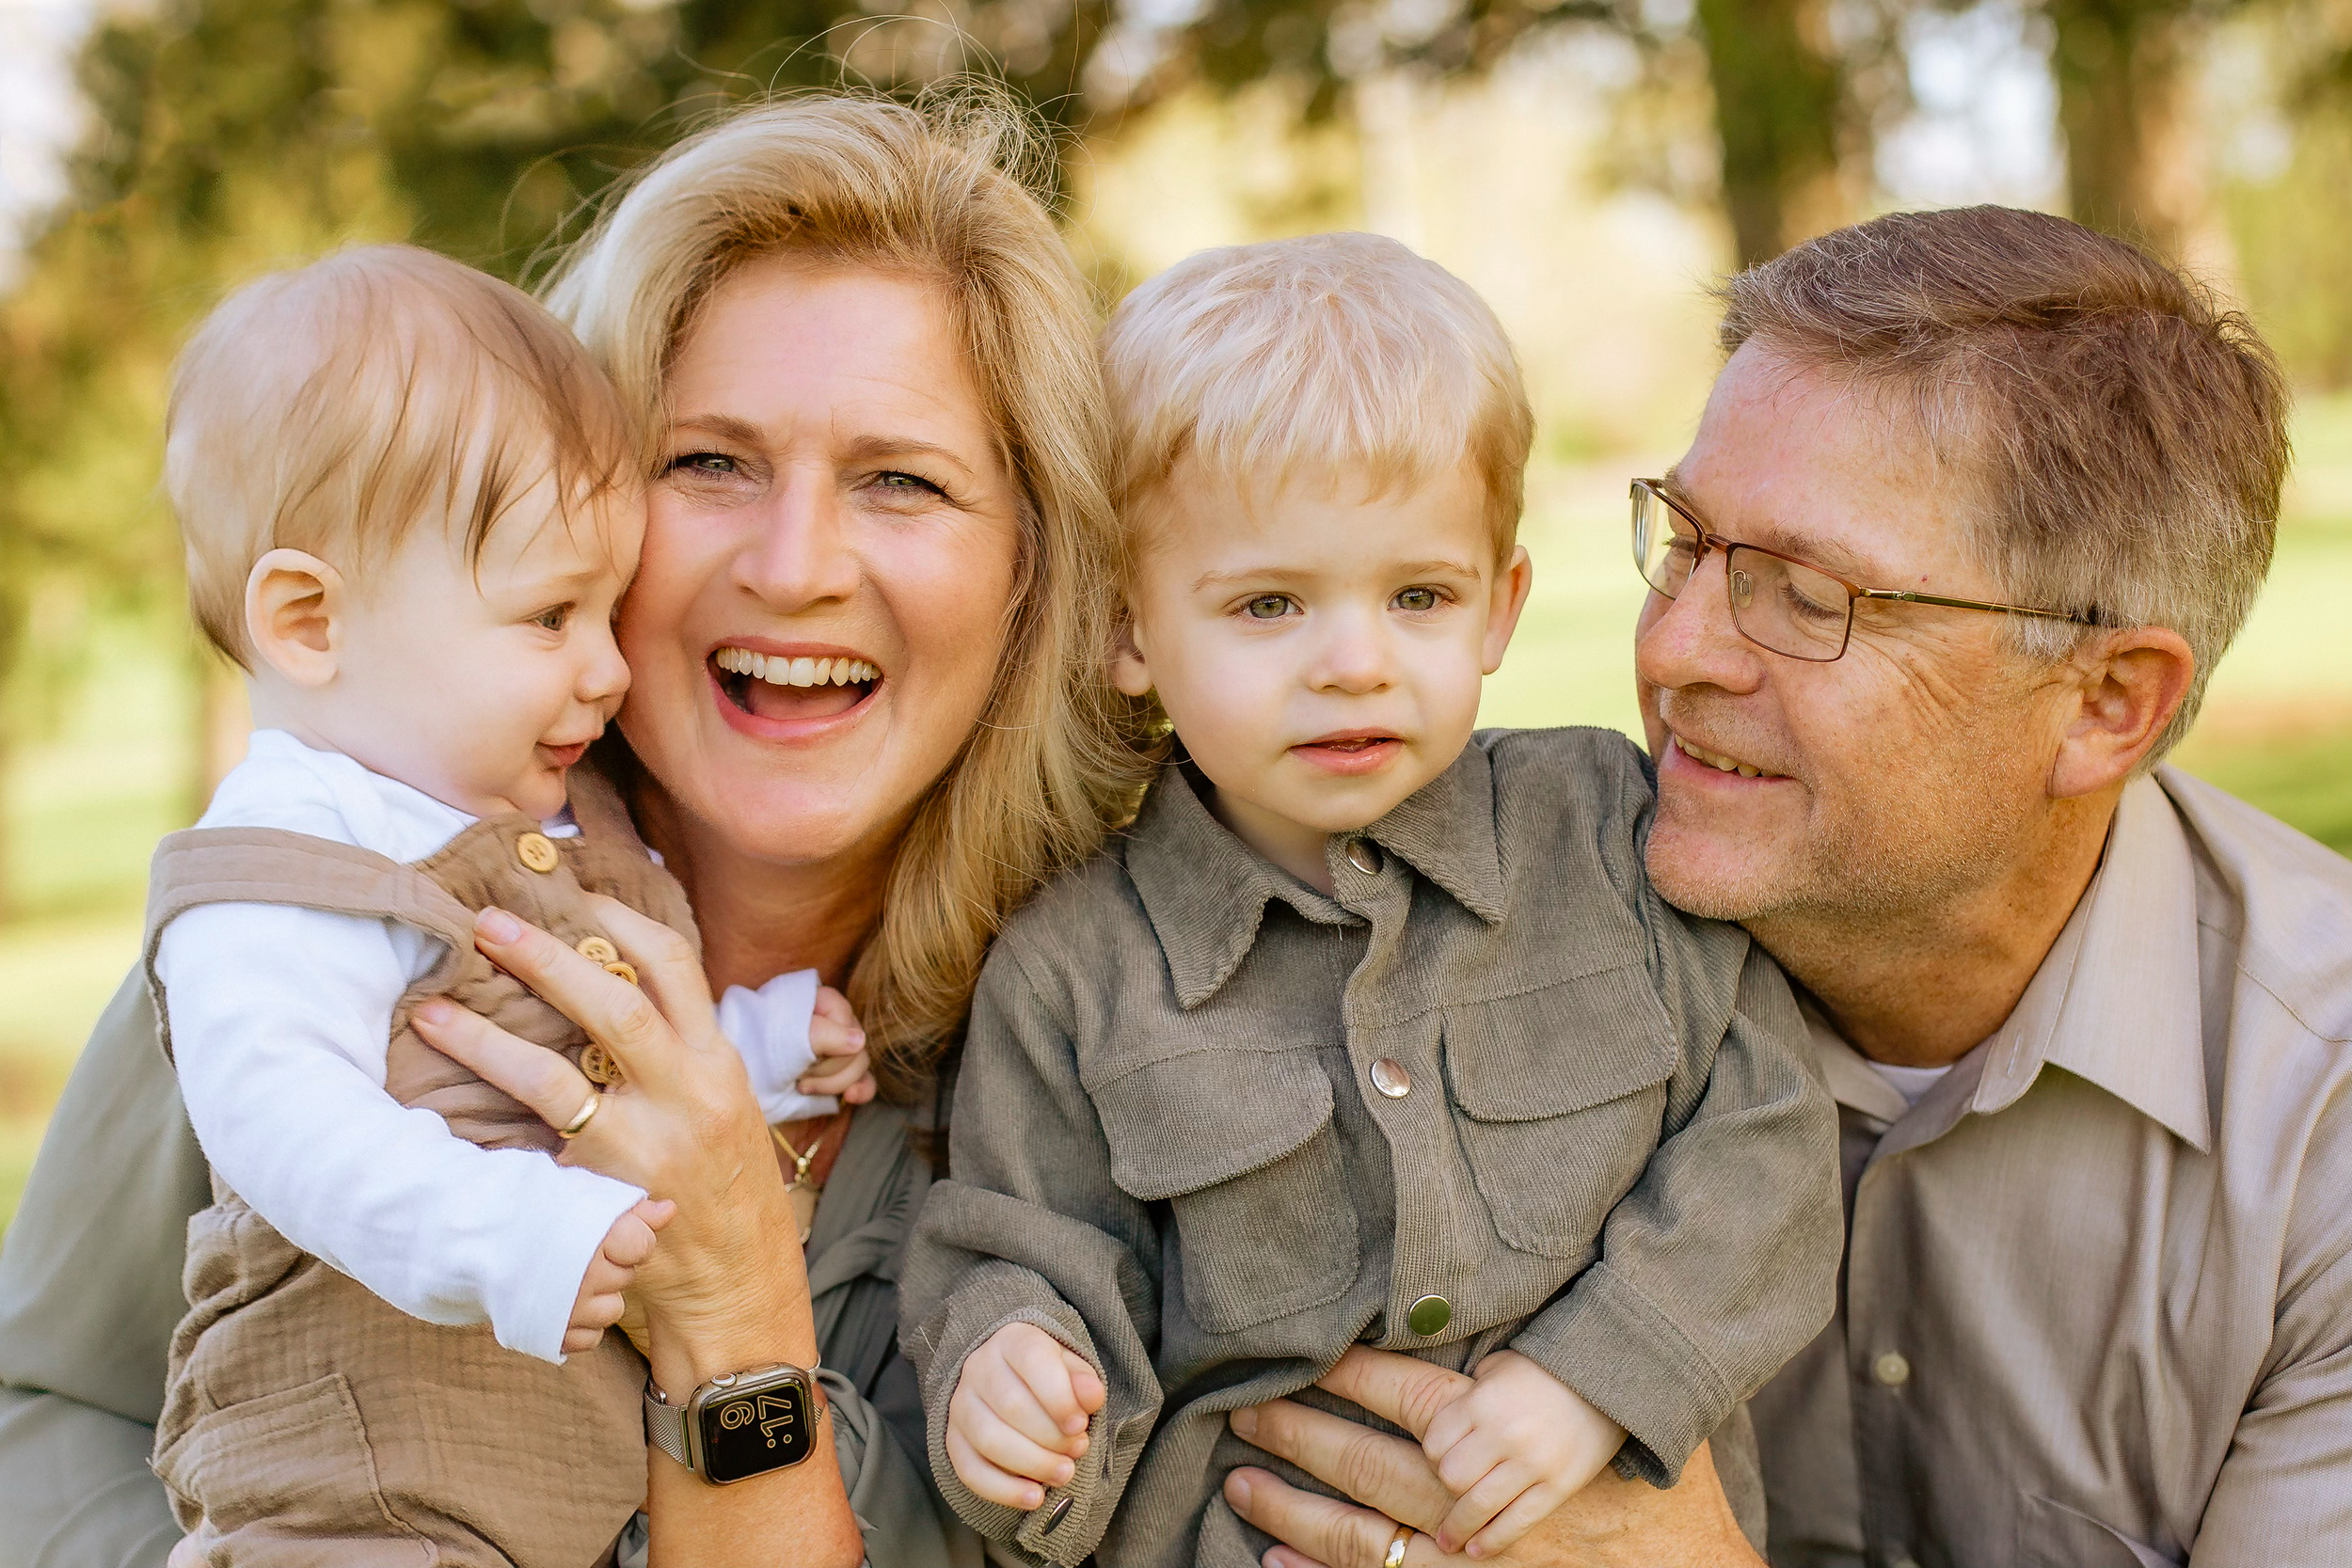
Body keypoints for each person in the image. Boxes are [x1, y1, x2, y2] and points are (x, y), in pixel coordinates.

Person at [0, 92, 1149, 1568]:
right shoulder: (359, 892)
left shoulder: (1133, 1004)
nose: (796, 565)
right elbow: (41, 1410)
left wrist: (735, 1312)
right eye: (711, 462)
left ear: (1033, 568)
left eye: (901, 480)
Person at [899, 232, 1843, 1568]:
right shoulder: (1074, 969)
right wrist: (1013, 1372)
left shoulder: (1608, 836)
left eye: (1418, 594)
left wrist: (1593, 1379)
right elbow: (1021, 1247)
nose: (1355, 663)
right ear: (1126, 627)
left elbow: (1767, 1134)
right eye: (1270, 602)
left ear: (1500, 607)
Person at [1629, 207, 2352, 1565]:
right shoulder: (1496, 947)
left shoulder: (2325, 1139)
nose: (1675, 649)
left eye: (1807, 591)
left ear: (2105, 703)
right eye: (1685, 541)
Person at [141, 244, 877, 1564]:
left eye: (608, 609)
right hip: (344, 1498)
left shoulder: (549, 821)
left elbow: (619, 1050)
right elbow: (285, 1125)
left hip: (543, 1505)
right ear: (311, 621)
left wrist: (761, 1045)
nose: (604, 667)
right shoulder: (283, 867)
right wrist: (505, 1234)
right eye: (550, 616)